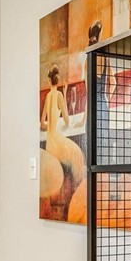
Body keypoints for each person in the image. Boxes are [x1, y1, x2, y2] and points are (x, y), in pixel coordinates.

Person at [41, 63, 85, 192]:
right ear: (57, 80)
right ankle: (78, 188)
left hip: (50, 143)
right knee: (77, 154)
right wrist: (64, 124)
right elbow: (66, 119)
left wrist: (49, 126)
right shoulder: (59, 96)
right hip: (56, 143)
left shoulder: (48, 96)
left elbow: (43, 122)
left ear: (49, 80)